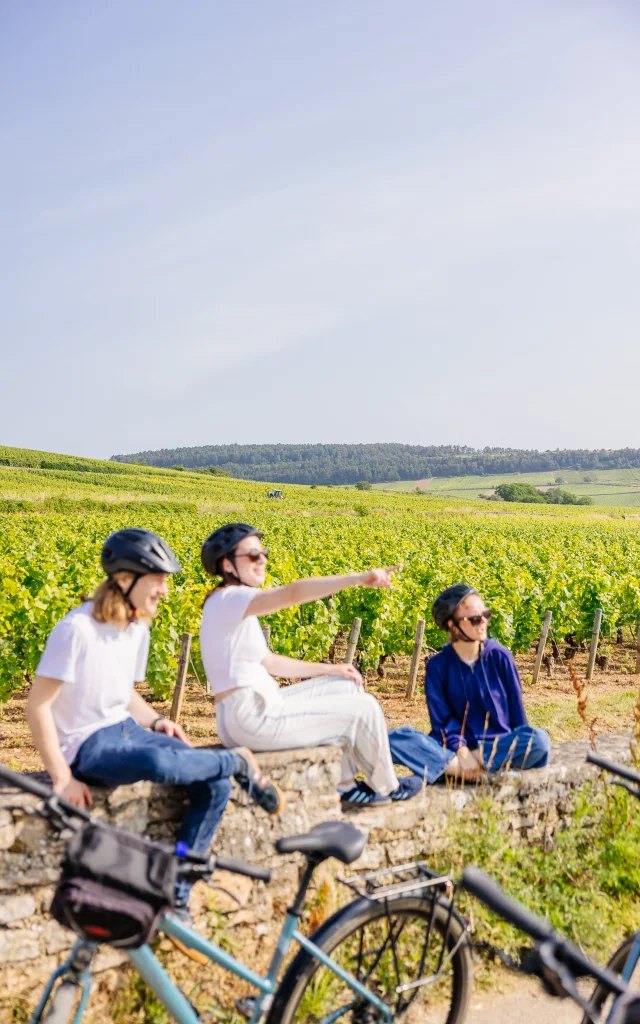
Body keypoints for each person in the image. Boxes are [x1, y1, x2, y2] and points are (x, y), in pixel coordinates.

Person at [26, 527, 283, 940]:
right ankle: (236, 761)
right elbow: (37, 706)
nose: (164, 590)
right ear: (125, 579)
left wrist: (156, 720)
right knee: (160, 763)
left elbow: (123, 693)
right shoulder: (76, 629)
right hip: (88, 744)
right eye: (158, 580)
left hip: (128, 729)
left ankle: (176, 895)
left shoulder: (136, 627)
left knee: (215, 785)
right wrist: (61, 777)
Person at [199, 523, 422, 808]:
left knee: (345, 685)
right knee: (364, 707)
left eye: (264, 553)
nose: (262, 559)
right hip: (251, 718)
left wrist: (331, 669)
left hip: (254, 708)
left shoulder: (228, 603)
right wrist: (357, 578)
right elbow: (293, 593)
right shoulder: (231, 598)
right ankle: (387, 788)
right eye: (253, 555)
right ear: (227, 564)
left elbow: (270, 662)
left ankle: (346, 785)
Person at [389, 584, 551, 782]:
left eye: (486, 615)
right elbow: (442, 722)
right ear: (452, 625)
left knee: (539, 740)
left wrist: (479, 755)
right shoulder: (437, 666)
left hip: (498, 746)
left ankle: (456, 769)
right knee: (397, 738)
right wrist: (462, 750)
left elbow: (518, 719)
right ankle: (479, 772)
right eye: (475, 619)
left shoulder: (500, 657)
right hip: (452, 749)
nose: (483, 622)